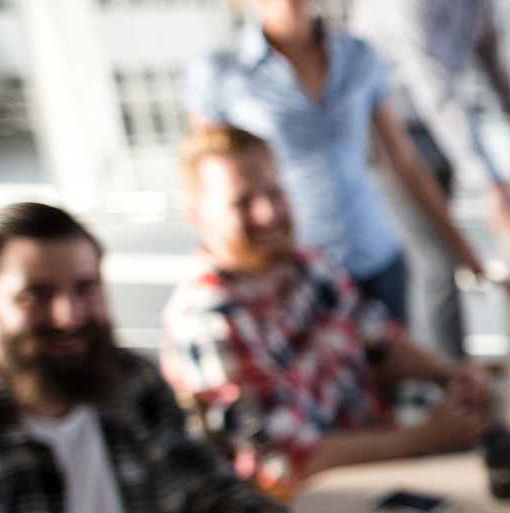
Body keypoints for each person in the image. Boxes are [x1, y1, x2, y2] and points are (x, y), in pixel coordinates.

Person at [0, 202, 322, 513]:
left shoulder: (130, 383)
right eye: (38, 295)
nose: (70, 316)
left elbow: (204, 489)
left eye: (86, 289)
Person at [160, 125, 490, 494]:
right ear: (197, 216)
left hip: (380, 464)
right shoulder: (209, 321)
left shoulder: (307, 264)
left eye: (275, 192)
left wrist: (447, 375)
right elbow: (290, 461)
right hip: (316, 506)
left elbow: (381, 342)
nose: (268, 213)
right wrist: (428, 437)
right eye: (243, 202)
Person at [184, 0, 491, 325]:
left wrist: (463, 247)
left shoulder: (359, 55)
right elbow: (210, 189)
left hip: (375, 256)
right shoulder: (219, 73)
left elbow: (405, 161)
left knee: (396, 362)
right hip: (291, 270)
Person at [352, 0, 510, 359]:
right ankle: (446, 385)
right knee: (437, 264)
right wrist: (489, 183)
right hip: (391, 138)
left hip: (437, 135)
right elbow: (435, 91)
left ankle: (457, 373)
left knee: (449, 258)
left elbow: (489, 51)